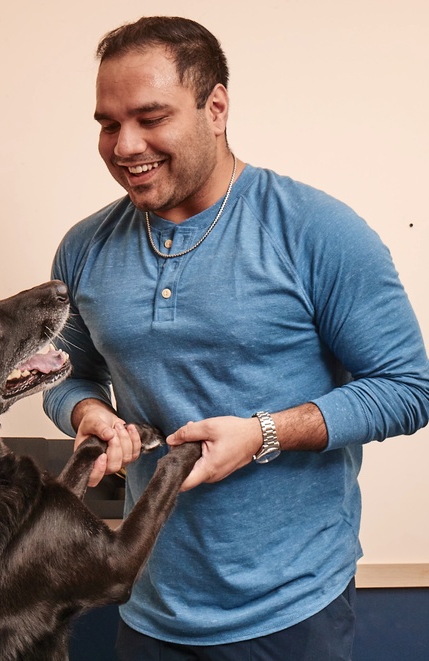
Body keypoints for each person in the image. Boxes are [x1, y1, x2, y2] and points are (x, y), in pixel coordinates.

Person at [43, 15, 429, 660]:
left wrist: (265, 434)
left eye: (151, 117)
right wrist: (88, 412)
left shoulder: (316, 230)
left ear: (215, 107)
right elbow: (67, 373)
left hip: (290, 609)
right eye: (108, 124)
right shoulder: (84, 247)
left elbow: (408, 389)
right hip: (144, 601)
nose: (124, 145)